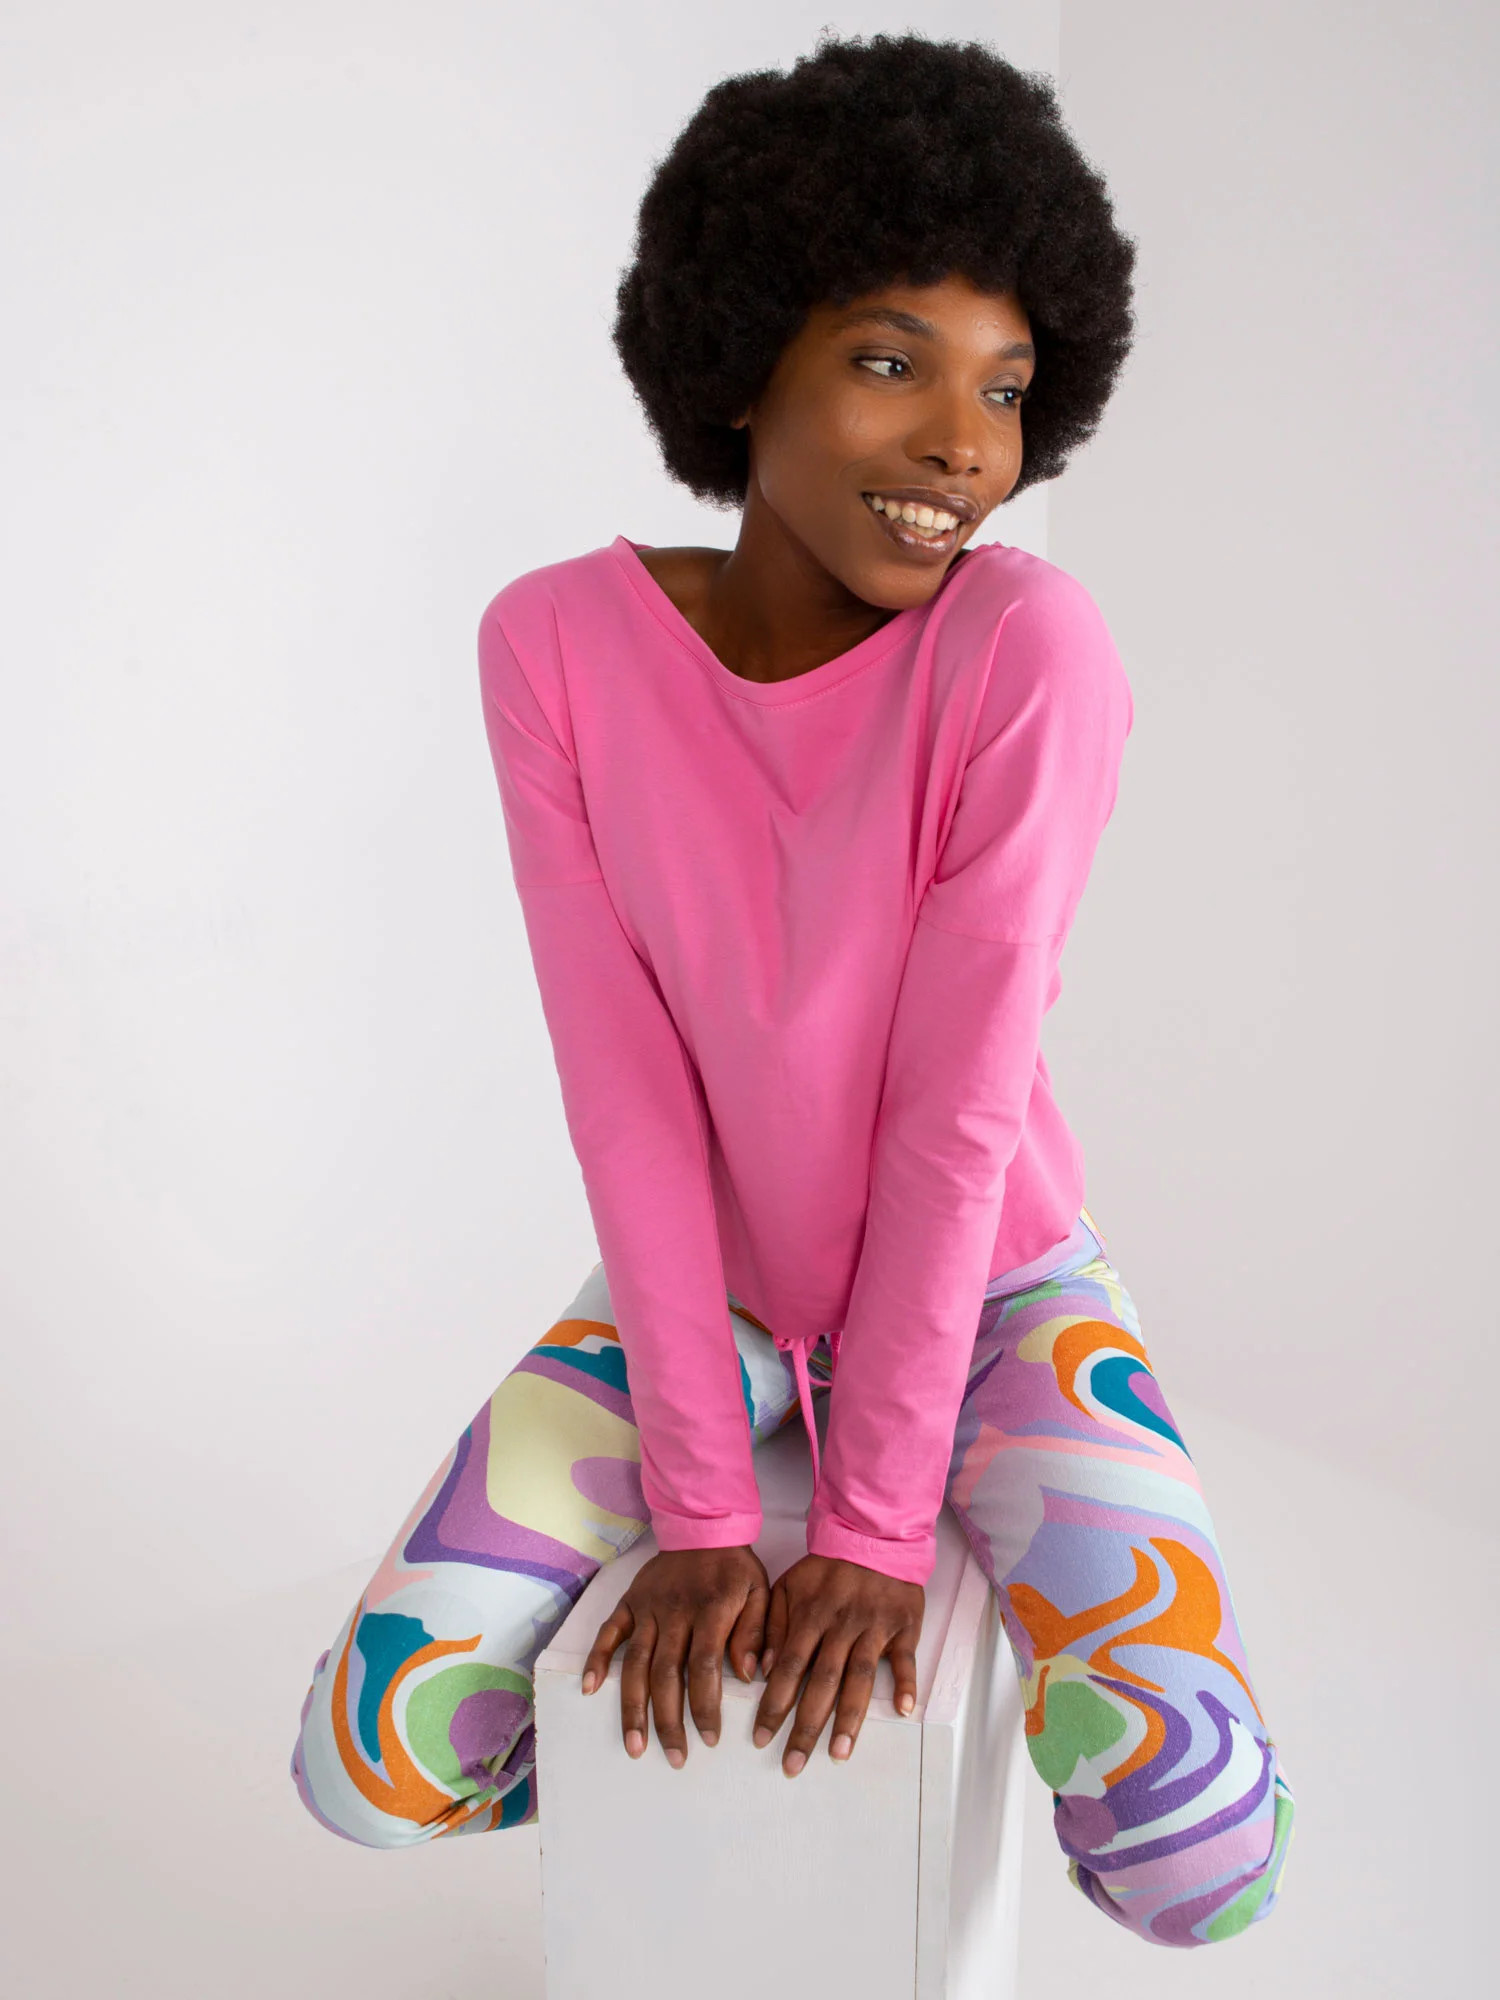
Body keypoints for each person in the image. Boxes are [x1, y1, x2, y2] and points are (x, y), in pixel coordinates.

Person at [291, 32, 1294, 1949]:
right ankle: (694, 1761)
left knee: (1202, 1869)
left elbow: (959, 1112)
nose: (966, 445)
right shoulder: (555, 645)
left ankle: (995, 1733)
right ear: (745, 359)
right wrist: (698, 1506)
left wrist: (874, 1532)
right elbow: (626, 1092)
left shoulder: (1030, 648)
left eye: (1006, 386)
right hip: (713, 1297)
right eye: (893, 361)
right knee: (368, 1768)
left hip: (999, 1293)